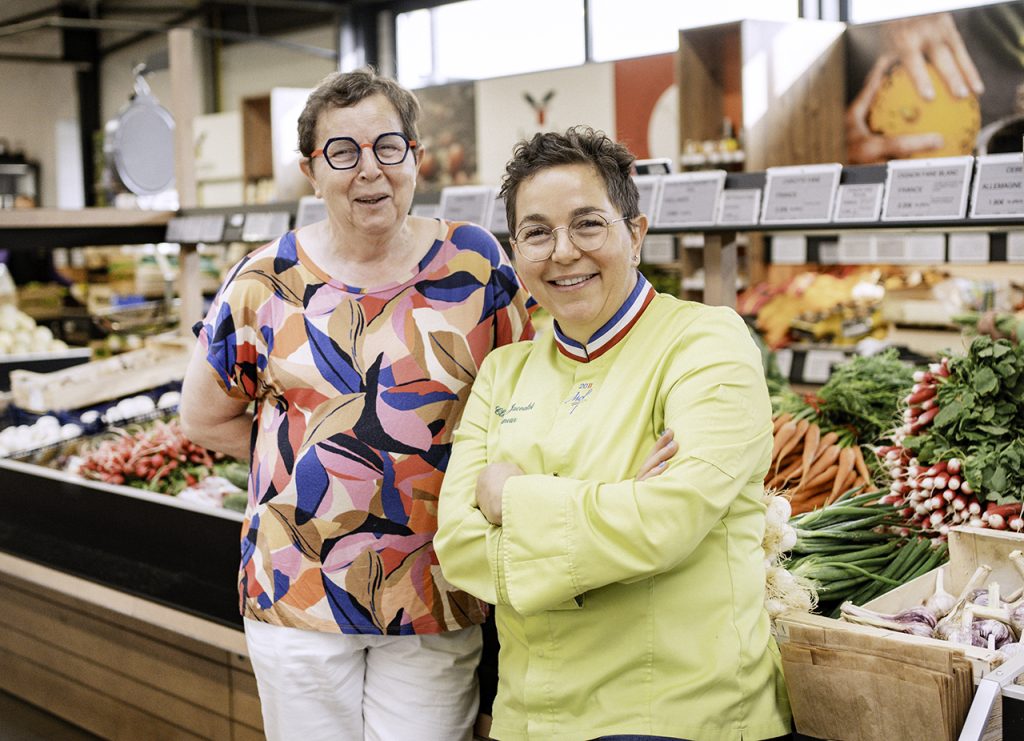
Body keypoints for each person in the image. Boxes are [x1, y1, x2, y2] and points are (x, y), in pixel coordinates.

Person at [179, 67, 533, 741]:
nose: (369, 169)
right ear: (312, 170)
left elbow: (525, 394)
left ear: (415, 158)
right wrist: (309, 460)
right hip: (298, 592)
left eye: (387, 147)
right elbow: (201, 415)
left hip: (436, 588)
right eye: (342, 152)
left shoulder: (478, 264)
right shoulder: (264, 280)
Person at [434, 126, 791, 741]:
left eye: (588, 224)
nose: (563, 251)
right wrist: (618, 506)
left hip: (677, 711)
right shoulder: (504, 370)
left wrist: (509, 499)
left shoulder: (706, 342)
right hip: (529, 716)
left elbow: (666, 520)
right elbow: (459, 546)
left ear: (635, 232)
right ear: (515, 250)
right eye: (537, 232)